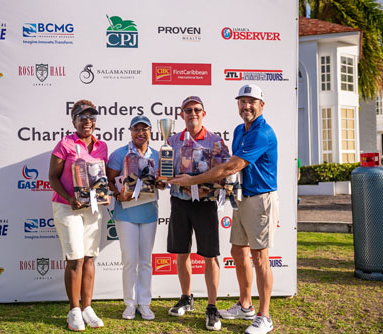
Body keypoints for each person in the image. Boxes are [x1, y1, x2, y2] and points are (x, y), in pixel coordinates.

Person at [170, 84, 278, 334]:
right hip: (241, 198)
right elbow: (231, 169)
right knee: (238, 252)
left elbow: (232, 166)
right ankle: (246, 304)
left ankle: (265, 315)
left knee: (261, 258)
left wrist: (193, 181)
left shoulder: (263, 132)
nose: (246, 106)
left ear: (261, 105)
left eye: (252, 102)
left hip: (260, 198)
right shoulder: (241, 130)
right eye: (242, 102)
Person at [48, 99, 108, 331]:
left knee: (90, 257)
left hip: (92, 208)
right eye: (82, 117)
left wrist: (104, 193)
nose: (87, 121)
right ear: (73, 121)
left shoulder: (101, 146)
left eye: (92, 117)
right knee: (76, 259)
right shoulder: (64, 144)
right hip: (67, 206)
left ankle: (87, 308)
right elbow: (53, 177)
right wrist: (69, 198)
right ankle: (73, 310)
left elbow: (100, 178)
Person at [166, 96, 223, 331]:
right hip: (180, 202)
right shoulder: (171, 140)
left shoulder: (215, 141)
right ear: (181, 115)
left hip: (205, 204)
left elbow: (223, 174)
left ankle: (211, 306)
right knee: (182, 253)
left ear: (204, 113)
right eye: (188, 110)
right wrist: (178, 182)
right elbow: (165, 172)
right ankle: (186, 297)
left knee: (209, 256)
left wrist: (203, 186)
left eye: (197, 109)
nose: (193, 113)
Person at [106, 115, 162, 321]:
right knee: (130, 260)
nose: (140, 133)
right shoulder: (120, 154)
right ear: (130, 131)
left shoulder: (157, 154)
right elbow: (109, 180)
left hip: (149, 213)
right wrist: (116, 194)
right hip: (126, 213)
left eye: (144, 129)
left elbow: (163, 180)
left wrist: (162, 183)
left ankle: (145, 303)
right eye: (136, 129)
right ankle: (129, 304)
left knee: (145, 261)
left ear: (150, 132)